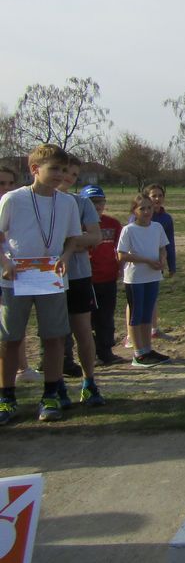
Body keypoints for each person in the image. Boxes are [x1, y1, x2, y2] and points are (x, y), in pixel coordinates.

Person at [0, 144, 82, 425]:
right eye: (54, 169)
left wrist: (66, 257)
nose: (60, 175)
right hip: (16, 278)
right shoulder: (13, 199)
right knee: (10, 339)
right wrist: (5, 263)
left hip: (51, 276)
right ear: (35, 169)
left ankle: (50, 395)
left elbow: (72, 238)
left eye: (64, 169)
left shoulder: (67, 202)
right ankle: (6, 397)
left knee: (54, 338)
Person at [56, 154, 106, 407]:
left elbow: (95, 237)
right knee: (54, 335)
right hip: (48, 278)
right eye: (65, 171)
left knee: (83, 331)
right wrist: (76, 242)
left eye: (74, 175)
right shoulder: (35, 201)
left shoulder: (81, 202)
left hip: (78, 275)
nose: (68, 177)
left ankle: (89, 382)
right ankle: (56, 386)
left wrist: (66, 244)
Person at [116, 194, 170, 367]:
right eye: (142, 208)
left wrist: (162, 259)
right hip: (135, 278)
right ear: (134, 211)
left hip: (153, 276)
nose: (146, 212)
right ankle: (138, 353)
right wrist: (146, 260)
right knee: (136, 314)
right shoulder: (129, 230)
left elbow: (162, 248)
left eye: (149, 208)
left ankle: (147, 349)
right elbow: (121, 255)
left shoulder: (157, 227)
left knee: (147, 314)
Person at [0, 164, 41, 386]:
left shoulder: (16, 205)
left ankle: (22, 367)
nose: (6, 188)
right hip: (5, 269)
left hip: (13, 275)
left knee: (13, 327)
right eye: (1, 183)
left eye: (10, 183)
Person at [80, 185, 126, 365]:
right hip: (87, 279)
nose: (97, 206)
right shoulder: (77, 224)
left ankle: (105, 352)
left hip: (108, 278)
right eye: (92, 202)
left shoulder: (112, 224)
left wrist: (120, 268)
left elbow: (120, 248)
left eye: (100, 201)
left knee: (106, 317)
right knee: (87, 320)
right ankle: (90, 353)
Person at [143, 183, 174, 339]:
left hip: (157, 263)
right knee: (135, 300)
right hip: (140, 264)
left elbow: (169, 243)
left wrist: (171, 265)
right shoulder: (138, 216)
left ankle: (154, 329)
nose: (157, 199)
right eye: (153, 196)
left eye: (160, 195)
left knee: (153, 296)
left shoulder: (166, 218)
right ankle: (131, 334)